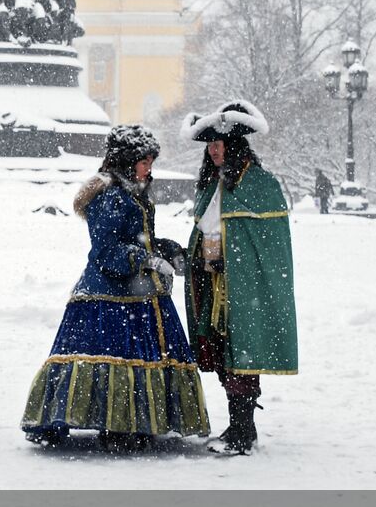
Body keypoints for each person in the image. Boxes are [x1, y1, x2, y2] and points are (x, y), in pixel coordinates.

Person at [22, 125, 210, 452]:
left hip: (139, 291)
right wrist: (146, 260)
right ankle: (118, 425)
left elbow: (140, 239)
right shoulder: (109, 194)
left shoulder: (133, 191)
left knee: (130, 362)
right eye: (144, 160)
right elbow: (106, 251)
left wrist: (169, 251)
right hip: (107, 295)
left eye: (151, 159)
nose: (149, 166)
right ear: (127, 159)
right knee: (114, 360)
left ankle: (135, 422)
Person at [182, 102, 298, 456]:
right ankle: (237, 424)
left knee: (241, 353)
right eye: (210, 144)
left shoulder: (260, 185)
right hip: (213, 285)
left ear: (236, 145)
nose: (214, 149)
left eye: (221, 143)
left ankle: (245, 430)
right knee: (219, 352)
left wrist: (242, 269)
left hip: (244, 288)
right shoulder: (211, 186)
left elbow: (270, 247)